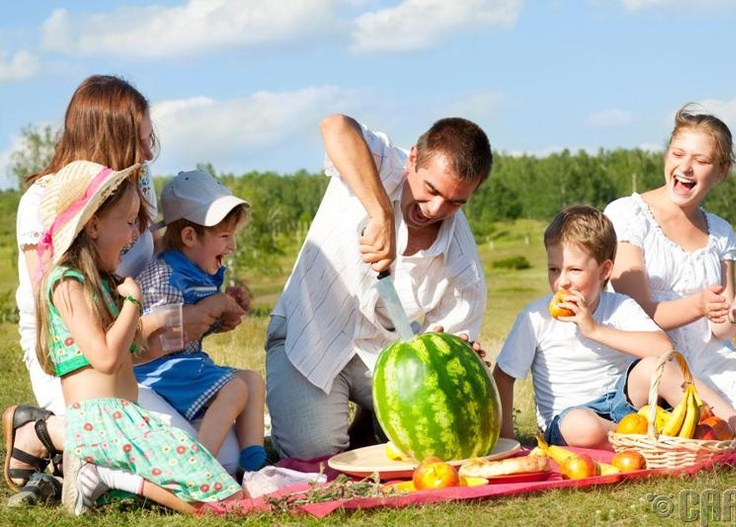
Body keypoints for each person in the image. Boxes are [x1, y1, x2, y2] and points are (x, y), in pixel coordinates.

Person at [3, 74, 239, 505]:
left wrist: (203, 300)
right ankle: (46, 432)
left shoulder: (135, 185)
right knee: (188, 462)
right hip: (76, 362)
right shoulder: (44, 200)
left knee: (225, 456)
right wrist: (145, 322)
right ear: (107, 139)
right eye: (140, 140)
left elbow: (150, 258)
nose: (150, 152)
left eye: (152, 138)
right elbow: (61, 310)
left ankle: (68, 462)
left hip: (134, 349)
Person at [265, 114, 493, 459]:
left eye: (455, 202)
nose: (435, 209)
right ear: (413, 158)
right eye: (430, 189)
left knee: (438, 439)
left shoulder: (464, 268)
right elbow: (335, 126)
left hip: (383, 357)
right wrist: (381, 213)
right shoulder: (384, 161)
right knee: (315, 452)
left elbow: (442, 360)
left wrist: (455, 352)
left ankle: (371, 416)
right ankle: (367, 419)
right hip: (306, 337)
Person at [36, 160, 243, 515]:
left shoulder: (102, 284)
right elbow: (104, 358)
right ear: (95, 225)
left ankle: (105, 478)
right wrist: (133, 302)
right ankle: (102, 472)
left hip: (125, 418)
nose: (136, 235)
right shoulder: (67, 283)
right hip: (102, 423)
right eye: (130, 223)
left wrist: (183, 328)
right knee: (220, 503)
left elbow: (129, 354)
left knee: (222, 487)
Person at [604, 103, 736, 456]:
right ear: (667, 154)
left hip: (716, 359)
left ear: (721, 170)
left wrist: (735, 315)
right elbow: (638, 313)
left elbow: (721, 329)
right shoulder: (628, 215)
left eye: (701, 161)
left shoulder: (720, 232)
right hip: (661, 369)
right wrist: (699, 305)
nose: (685, 167)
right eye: (678, 153)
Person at [494, 205, 736, 449]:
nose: (562, 282)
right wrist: (509, 442)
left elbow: (663, 348)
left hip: (624, 408)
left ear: (605, 271)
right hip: (569, 421)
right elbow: (504, 377)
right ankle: (655, 442)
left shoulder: (619, 306)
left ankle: (735, 430)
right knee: (581, 426)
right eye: (554, 269)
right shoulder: (536, 317)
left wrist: (594, 329)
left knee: (656, 368)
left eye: (574, 270)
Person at [134, 169, 267, 473]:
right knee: (235, 388)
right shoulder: (165, 274)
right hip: (160, 371)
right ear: (190, 236)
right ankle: (198, 469)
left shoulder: (198, 269)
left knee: (251, 381)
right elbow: (153, 337)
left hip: (184, 366)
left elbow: (195, 326)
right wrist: (209, 308)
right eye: (224, 236)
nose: (231, 246)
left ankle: (255, 465)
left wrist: (223, 316)